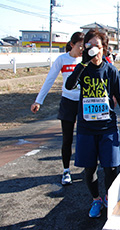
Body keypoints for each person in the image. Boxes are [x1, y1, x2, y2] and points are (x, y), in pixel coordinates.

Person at [65, 28, 120, 218]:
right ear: (85, 48)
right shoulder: (82, 69)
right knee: (89, 168)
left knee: (110, 167)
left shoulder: (110, 70)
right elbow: (69, 85)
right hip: (86, 127)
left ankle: (108, 197)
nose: (94, 49)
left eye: (97, 46)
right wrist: (82, 64)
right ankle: (96, 200)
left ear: (104, 49)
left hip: (107, 127)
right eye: (90, 45)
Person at [30, 31, 84, 186]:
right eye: (80, 46)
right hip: (67, 102)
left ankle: (87, 169)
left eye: (84, 46)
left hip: (83, 102)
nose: (82, 50)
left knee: (85, 137)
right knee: (67, 139)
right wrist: (38, 101)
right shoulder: (62, 59)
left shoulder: (85, 60)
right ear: (72, 45)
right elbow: (49, 79)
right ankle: (66, 171)